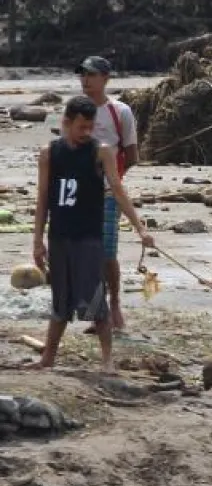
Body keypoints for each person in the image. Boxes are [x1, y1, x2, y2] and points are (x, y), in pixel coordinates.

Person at [32, 96, 154, 372]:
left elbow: (118, 190)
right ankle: (48, 358)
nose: (86, 133)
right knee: (60, 301)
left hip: (89, 236)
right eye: (81, 127)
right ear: (66, 123)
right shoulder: (49, 153)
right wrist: (37, 241)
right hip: (60, 236)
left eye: (90, 127)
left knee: (96, 299)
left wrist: (140, 227)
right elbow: (42, 200)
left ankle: (108, 361)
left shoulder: (102, 152)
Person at [77, 56, 139, 331]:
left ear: (105, 78)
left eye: (91, 75)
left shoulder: (120, 111)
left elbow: (132, 153)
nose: (85, 80)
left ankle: (114, 304)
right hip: (77, 193)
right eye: (82, 75)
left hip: (107, 192)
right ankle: (96, 309)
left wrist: (114, 179)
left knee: (107, 253)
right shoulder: (76, 110)